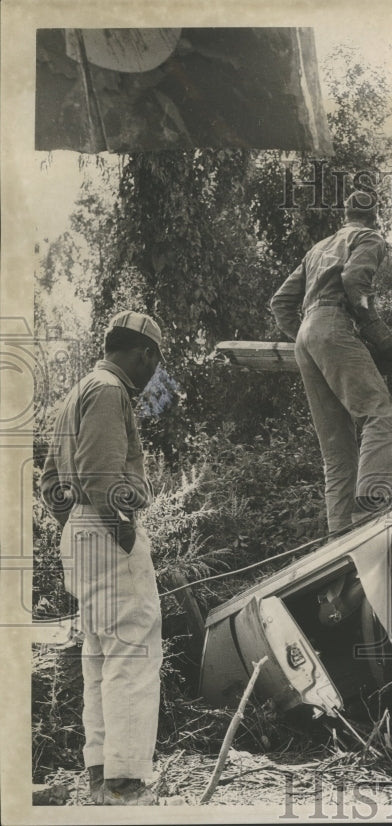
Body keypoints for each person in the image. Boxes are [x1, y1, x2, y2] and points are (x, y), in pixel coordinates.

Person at [40, 311, 165, 806]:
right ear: (143, 354)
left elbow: (52, 484)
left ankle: (101, 775)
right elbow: (100, 476)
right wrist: (122, 532)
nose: (153, 372)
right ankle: (126, 784)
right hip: (108, 530)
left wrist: (76, 528)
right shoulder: (111, 391)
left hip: (78, 532)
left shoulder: (76, 393)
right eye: (154, 361)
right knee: (133, 647)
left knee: (99, 652)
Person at [270, 191, 392, 533]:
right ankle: (370, 520)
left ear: (345, 215)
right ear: (375, 216)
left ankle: (339, 550)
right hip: (331, 325)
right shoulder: (369, 237)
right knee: (381, 415)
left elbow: (281, 302)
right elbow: (354, 280)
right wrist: (378, 333)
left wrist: (309, 337)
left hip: (305, 339)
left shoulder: (317, 248)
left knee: (338, 455)